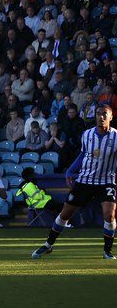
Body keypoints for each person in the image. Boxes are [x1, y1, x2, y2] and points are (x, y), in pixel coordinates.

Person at [31, 102, 117, 261]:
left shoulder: (116, 136)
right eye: (98, 113)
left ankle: (107, 251)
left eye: (105, 113)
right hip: (85, 180)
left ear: (111, 117)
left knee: (109, 215)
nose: (101, 117)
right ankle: (48, 244)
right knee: (65, 214)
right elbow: (83, 155)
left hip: (106, 181)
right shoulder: (87, 135)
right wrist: (70, 170)